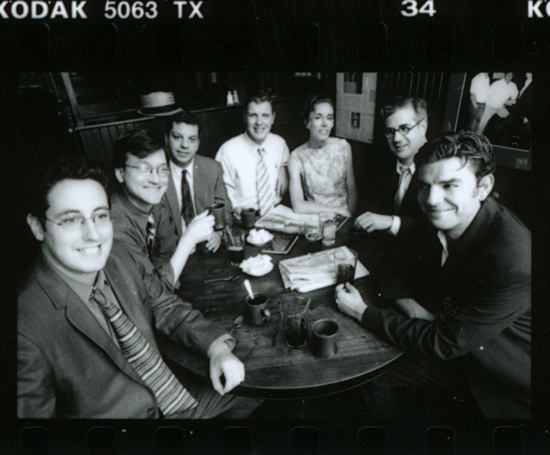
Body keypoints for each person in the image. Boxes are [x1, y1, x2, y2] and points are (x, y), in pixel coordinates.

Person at [18, 156, 258, 419]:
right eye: (71, 220)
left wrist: (217, 349)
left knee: (253, 387)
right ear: (37, 226)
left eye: (100, 216)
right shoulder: (23, 328)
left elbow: (165, 304)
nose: (93, 234)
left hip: (172, 396)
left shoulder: (118, 255)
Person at [335, 130, 531, 420]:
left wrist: (362, 312)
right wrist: (411, 307)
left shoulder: (511, 260)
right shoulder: (442, 216)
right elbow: (392, 264)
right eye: (424, 186)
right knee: (371, 373)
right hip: (455, 341)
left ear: (483, 186)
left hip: (499, 378)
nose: (431, 199)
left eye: (449, 185)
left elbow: (443, 343)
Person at [111, 129, 214, 290]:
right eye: (144, 168)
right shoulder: (115, 228)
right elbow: (150, 294)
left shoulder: (154, 202)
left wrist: (162, 276)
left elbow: (167, 249)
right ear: (120, 173)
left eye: (162, 169)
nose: (156, 179)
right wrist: (188, 239)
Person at [355, 97, 429, 238]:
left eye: (404, 128)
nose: (396, 139)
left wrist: (392, 222)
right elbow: (368, 211)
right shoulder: (382, 163)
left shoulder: (438, 165)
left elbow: (432, 227)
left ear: (422, 127)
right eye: (390, 131)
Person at [161, 110, 231, 252]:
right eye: (177, 137)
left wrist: (219, 233)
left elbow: (226, 211)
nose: (185, 145)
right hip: (172, 252)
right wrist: (182, 243)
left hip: (209, 249)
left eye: (192, 139)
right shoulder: (156, 173)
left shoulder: (212, 168)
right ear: (166, 139)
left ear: (198, 143)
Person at [215, 90, 289, 218]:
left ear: (273, 118)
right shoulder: (227, 151)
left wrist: (284, 167)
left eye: (265, 115)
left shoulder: (279, 143)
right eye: (253, 115)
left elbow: (286, 159)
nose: (259, 122)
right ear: (245, 117)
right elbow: (221, 189)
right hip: (243, 218)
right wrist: (236, 208)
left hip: (276, 212)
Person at [288, 95, 358, 216]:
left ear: (333, 123)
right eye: (318, 117)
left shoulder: (343, 147)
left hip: (344, 216)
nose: (325, 123)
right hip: (315, 218)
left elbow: (353, 191)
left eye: (329, 118)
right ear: (307, 123)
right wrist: (337, 211)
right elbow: (298, 205)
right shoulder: (296, 156)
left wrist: (348, 215)